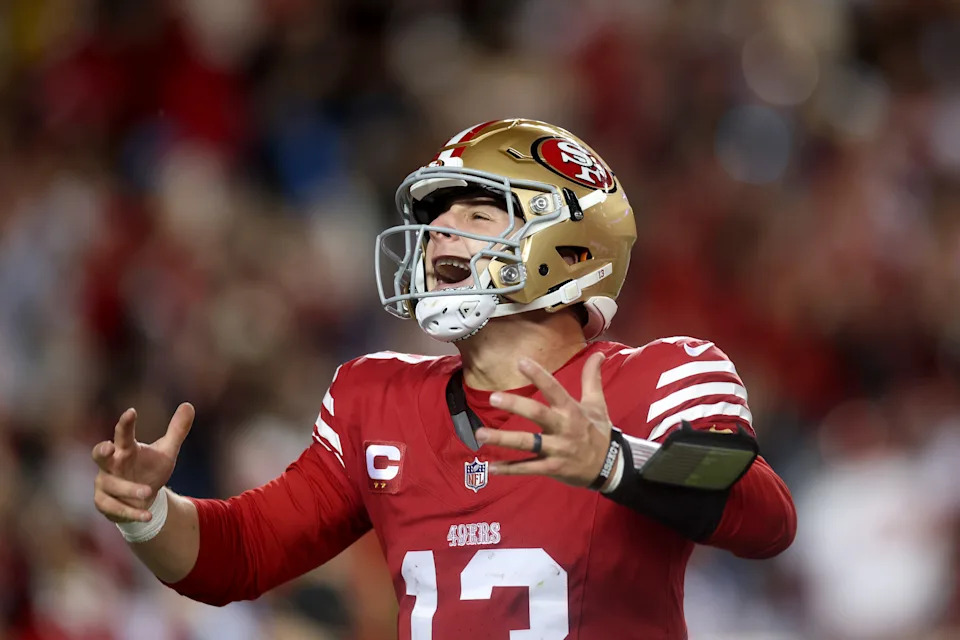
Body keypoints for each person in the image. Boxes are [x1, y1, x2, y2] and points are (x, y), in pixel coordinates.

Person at [92, 118, 796, 638]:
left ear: (569, 246)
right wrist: (148, 513)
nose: (439, 233)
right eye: (435, 218)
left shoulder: (659, 374)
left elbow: (766, 518)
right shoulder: (375, 398)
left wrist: (615, 461)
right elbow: (240, 555)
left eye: (477, 213)